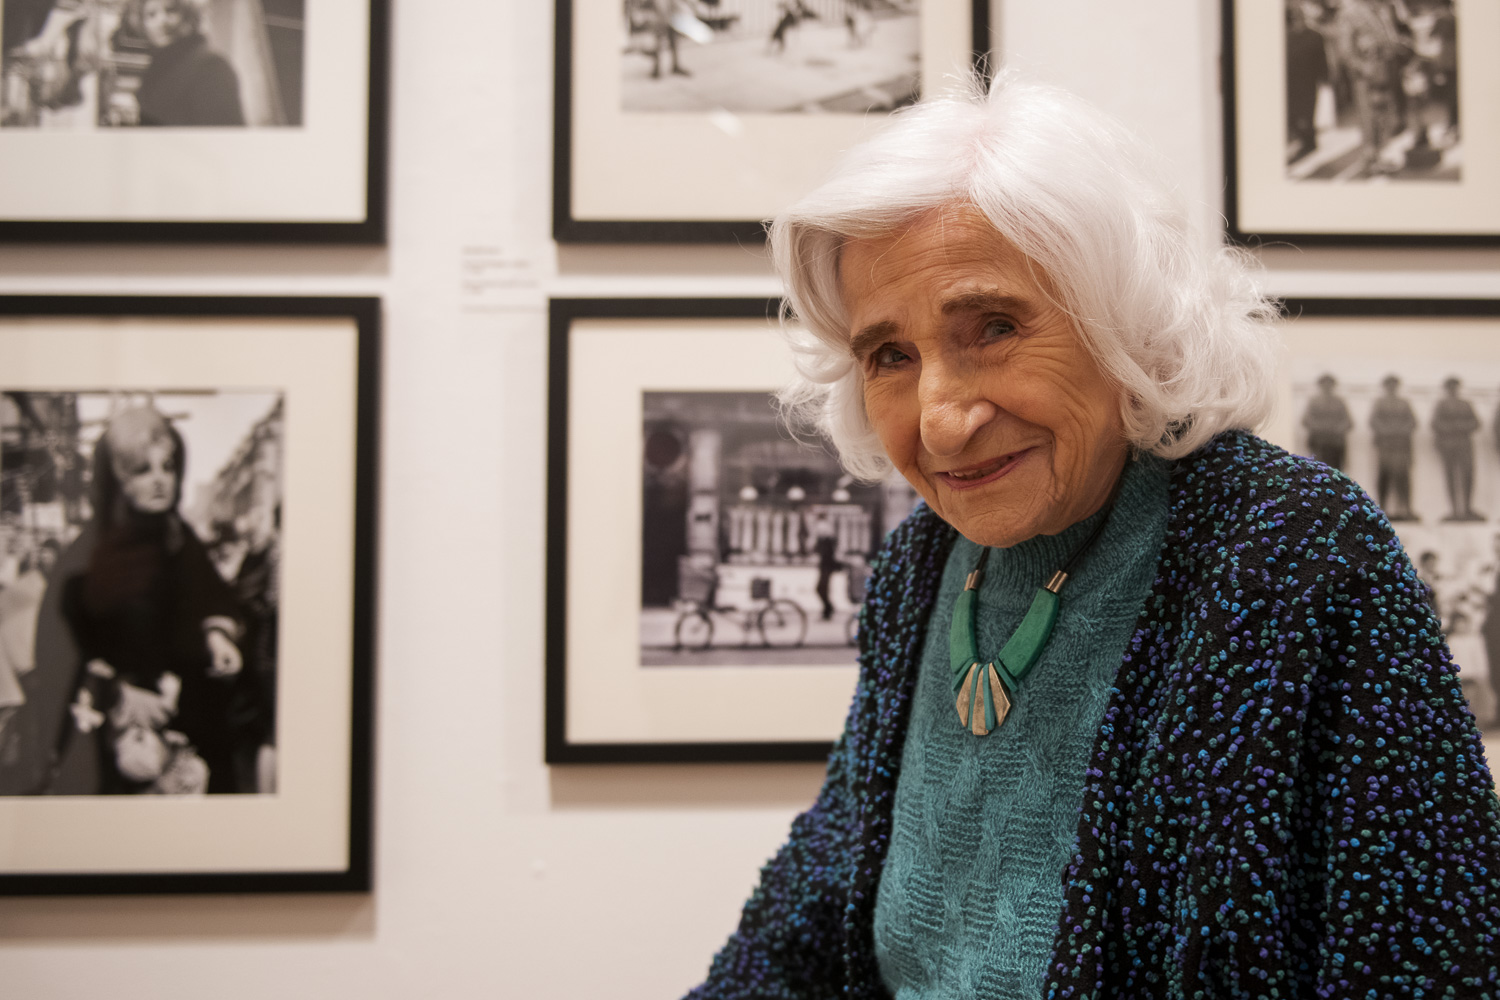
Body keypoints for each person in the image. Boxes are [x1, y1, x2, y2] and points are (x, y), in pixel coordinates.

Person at [684, 75, 1500, 998]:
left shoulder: (1293, 554)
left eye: (993, 327)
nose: (943, 419)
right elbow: (815, 906)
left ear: (1126, 324)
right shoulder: (924, 565)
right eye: (891, 355)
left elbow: (1430, 953)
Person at [29, 406, 248, 795]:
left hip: (187, 732)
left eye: (168, 466)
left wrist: (217, 635)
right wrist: (117, 692)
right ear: (115, 481)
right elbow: (58, 651)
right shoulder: (87, 557)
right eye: (142, 471)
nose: (161, 481)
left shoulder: (180, 539)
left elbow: (209, 596)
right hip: (114, 740)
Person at [110, 0, 244, 126]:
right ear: (142, 24)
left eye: (171, 11)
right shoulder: (157, 69)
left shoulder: (211, 66)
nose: (162, 21)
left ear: (188, 17)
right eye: (151, 15)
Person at [1432, 374, 1481, 521]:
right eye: (1450, 387)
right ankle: (1454, 510)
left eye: (1455, 387)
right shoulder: (1441, 405)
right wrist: (1452, 428)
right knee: (1451, 477)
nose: (1453, 390)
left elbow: (1476, 423)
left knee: (1468, 476)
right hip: (1448, 446)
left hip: (1465, 446)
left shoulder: (1466, 404)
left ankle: (1467, 508)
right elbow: (1436, 424)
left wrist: (1461, 426)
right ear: (1447, 389)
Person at [1370, 372, 1417, 520]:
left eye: (1394, 385)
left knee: (1403, 478)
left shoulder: (1404, 403)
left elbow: (1412, 422)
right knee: (1384, 476)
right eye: (1388, 385)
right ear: (1385, 387)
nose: (1391, 388)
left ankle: (1405, 510)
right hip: (1385, 447)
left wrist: (1400, 431)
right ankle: (1383, 509)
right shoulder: (1379, 403)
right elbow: (1373, 421)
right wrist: (1388, 431)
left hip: (1401, 447)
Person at [1300, 372, 1352, 469]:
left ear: (1333, 386)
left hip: (1336, 444)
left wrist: (1337, 429)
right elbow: (1305, 420)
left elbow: (1348, 422)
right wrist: (1321, 428)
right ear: (1320, 386)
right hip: (1318, 443)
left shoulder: (1340, 402)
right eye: (1324, 385)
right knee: (1317, 471)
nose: (1327, 387)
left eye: (1330, 385)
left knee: (1336, 472)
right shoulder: (1313, 401)